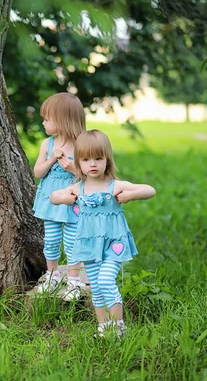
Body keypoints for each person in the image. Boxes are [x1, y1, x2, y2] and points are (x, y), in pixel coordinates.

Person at [50, 130, 156, 337]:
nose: (93, 164)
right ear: (78, 162)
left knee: (106, 280)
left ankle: (118, 325)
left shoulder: (114, 186)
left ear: (107, 160)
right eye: (86, 159)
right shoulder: (77, 188)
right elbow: (54, 197)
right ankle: (102, 326)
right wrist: (64, 198)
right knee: (96, 288)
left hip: (113, 243)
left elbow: (149, 189)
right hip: (89, 245)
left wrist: (131, 195)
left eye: (98, 158)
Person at [32, 92, 86, 301]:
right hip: (52, 199)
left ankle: (74, 279)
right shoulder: (48, 145)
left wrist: (74, 169)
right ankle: (52, 274)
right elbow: (38, 172)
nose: (43, 122)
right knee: (52, 239)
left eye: (47, 119)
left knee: (73, 241)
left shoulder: (82, 144)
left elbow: (93, 173)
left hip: (73, 199)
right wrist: (51, 159)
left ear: (62, 120)